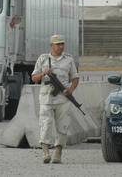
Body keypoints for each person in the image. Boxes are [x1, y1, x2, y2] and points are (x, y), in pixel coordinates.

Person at [31, 34, 79, 164]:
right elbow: (34, 78)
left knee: (62, 126)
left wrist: (71, 89)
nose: (61, 46)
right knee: (45, 124)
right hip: (46, 98)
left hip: (63, 99)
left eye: (62, 44)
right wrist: (44, 73)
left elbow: (75, 77)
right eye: (58, 44)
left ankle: (58, 152)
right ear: (51, 45)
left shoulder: (68, 60)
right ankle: (45, 152)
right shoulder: (43, 59)